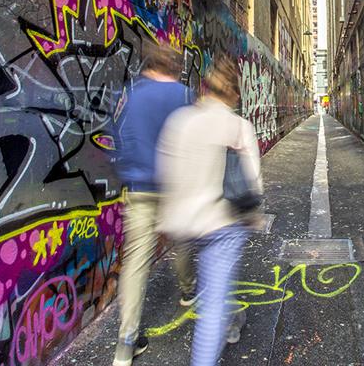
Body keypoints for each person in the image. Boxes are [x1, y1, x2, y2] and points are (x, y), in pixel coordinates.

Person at [155, 55, 263, 366]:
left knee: (214, 283)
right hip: (223, 224)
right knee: (213, 302)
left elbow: (167, 172)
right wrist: (253, 215)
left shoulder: (180, 121)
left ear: (206, 87)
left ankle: (233, 322)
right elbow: (253, 181)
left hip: (184, 222)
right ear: (234, 93)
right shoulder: (238, 126)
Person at [113, 43, 197, 366]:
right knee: (184, 240)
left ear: (149, 66)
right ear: (174, 68)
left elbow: (118, 136)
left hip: (139, 188)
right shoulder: (184, 96)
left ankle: (126, 342)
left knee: (135, 262)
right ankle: (188, 290)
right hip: (174, 188)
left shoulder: (131, 95)